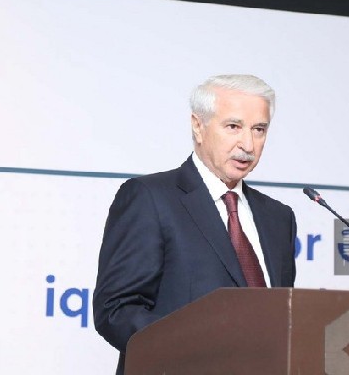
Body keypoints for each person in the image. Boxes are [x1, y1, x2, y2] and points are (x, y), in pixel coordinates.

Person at [92, 74, 297, 375]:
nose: (248, 144)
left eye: (259, 129)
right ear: (198, 127)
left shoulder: (278, 217)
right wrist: (200, 350)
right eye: (233, 126)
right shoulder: (150, 199)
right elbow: (116, 310)